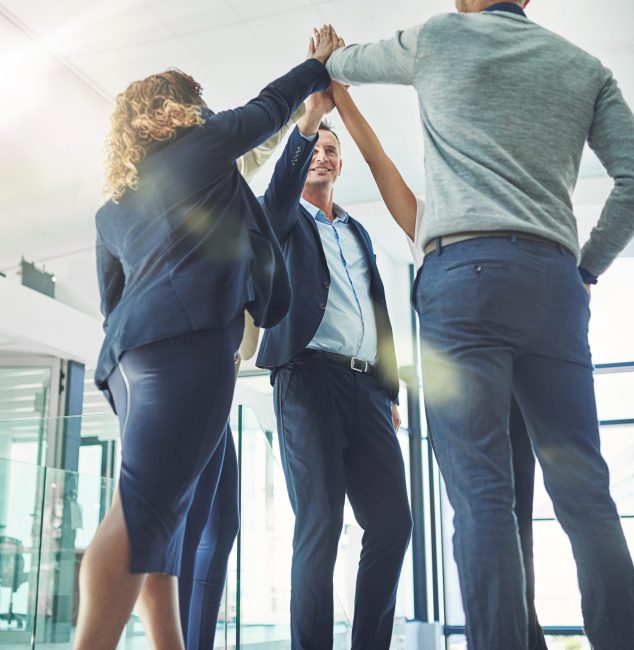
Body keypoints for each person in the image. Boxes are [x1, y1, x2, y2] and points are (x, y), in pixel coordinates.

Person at [326, 2, 634, 648]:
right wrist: (584, 268)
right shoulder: (584, 67)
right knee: (584, 488)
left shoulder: (439, 37)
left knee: (482, 499)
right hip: (552, 284)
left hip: (462, 282)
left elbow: (342, 62)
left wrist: (330, 55)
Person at [77, 29, 337, 649]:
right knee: (140, 513)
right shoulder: (202, 146)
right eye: (196, 101)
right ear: (178, 108)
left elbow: (112, 303)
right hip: (186, 349)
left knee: (164, 519)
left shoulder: (112, 208)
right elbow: (272, 105)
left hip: (128, 366)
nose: (205, 110)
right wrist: (316, 67)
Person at [330, 80, 547, 649]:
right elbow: (376, 159)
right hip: (463, 400)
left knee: (514, 522)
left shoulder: (511, 225)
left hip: (516, 393)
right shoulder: (430, 225)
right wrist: (342, 97)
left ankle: (522, 632)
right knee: (477, 519)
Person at [255, 55, 413, 650]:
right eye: (315, 148)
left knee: (394, 524)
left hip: (366, 390)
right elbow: (270, 202)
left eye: (331, 151)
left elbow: (379, 312)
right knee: (319, 524)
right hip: (307, 379)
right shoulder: (285, 220)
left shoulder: (357, 231)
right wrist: (315, 112)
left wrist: (389, 390)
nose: (323, 155)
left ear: (341, 164)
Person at [175, 101, 334, 650]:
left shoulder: (225, 189)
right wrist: (307, 103)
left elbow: (257, 150)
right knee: (191, 527)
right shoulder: (182, 188)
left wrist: (305, 121)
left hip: (220, 369)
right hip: (187, 373)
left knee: (218, 531)